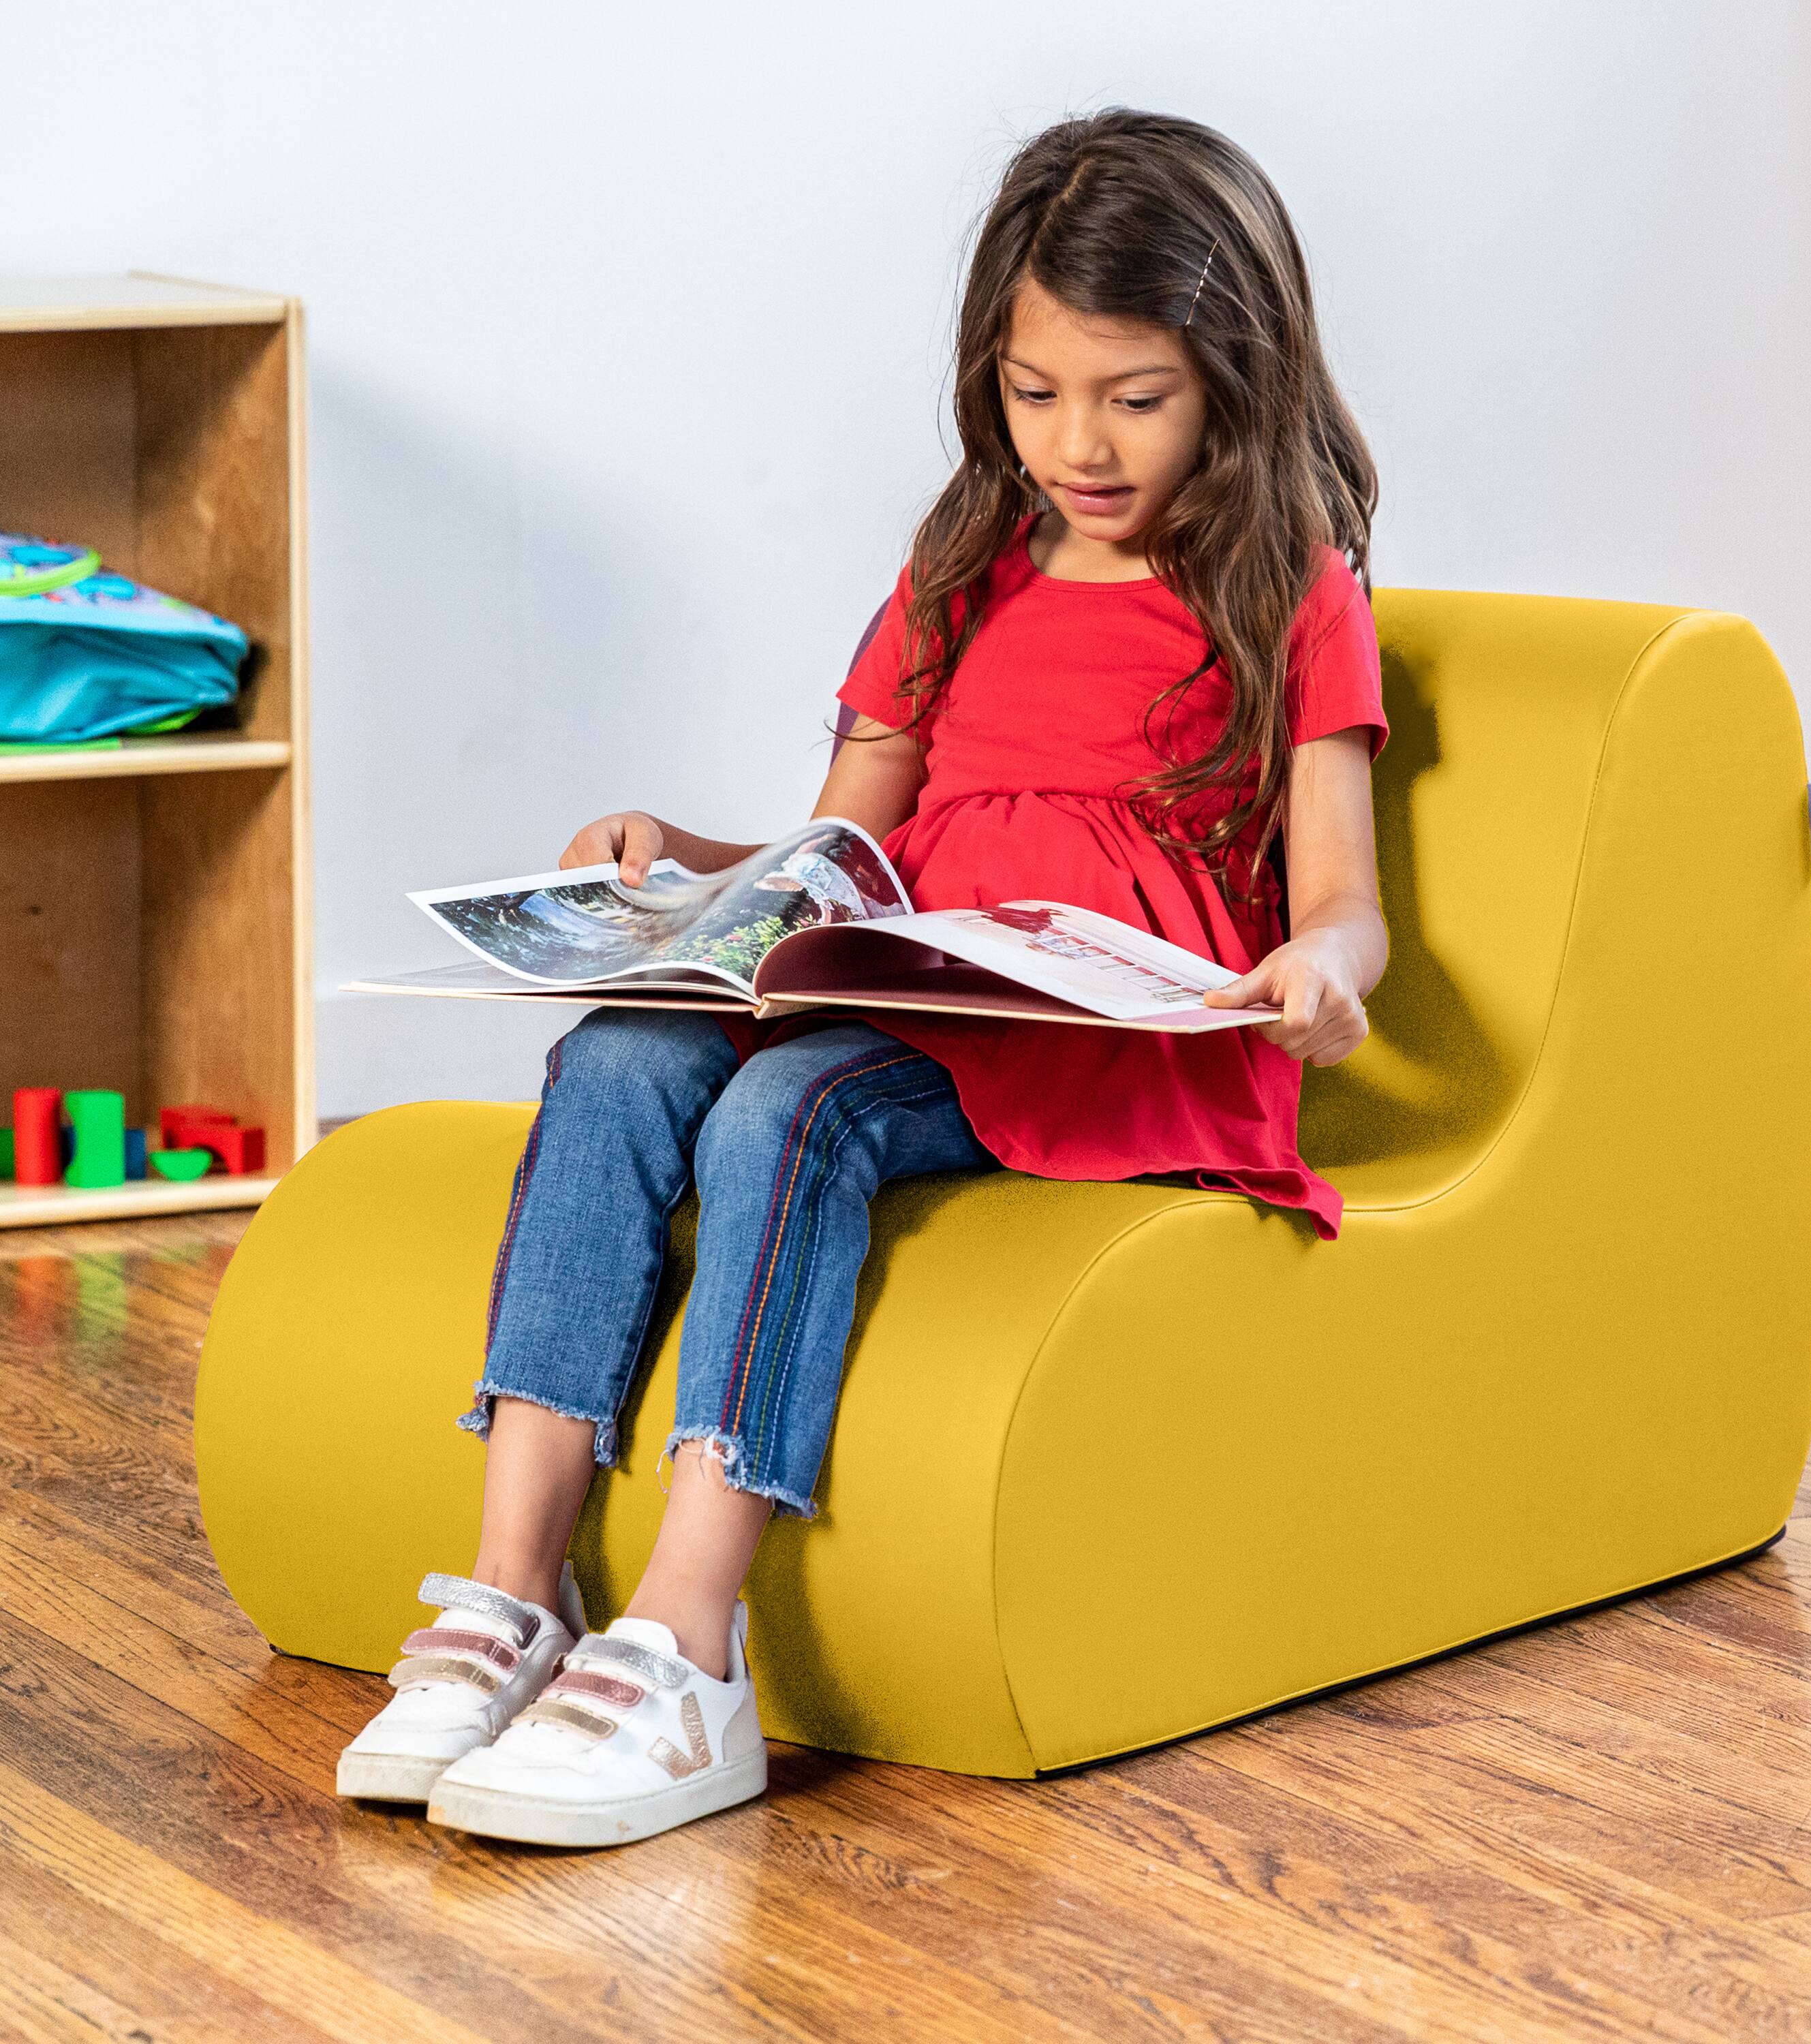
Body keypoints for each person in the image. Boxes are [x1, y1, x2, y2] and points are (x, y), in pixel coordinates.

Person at [337, 107, 1390, 1849]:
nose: (1080, 442)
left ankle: (687, 1647)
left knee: (789, 1108)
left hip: (1108, 1044)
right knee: (616, 1063)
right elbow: (840, 850)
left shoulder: (1291, 588)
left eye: (1136, 397)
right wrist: (686, 863)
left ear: (1238, 373)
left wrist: (1320, 971)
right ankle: (509, 1598)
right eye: (1037, 392)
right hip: (918, 983)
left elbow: (1346, 896)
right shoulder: (959, 572)